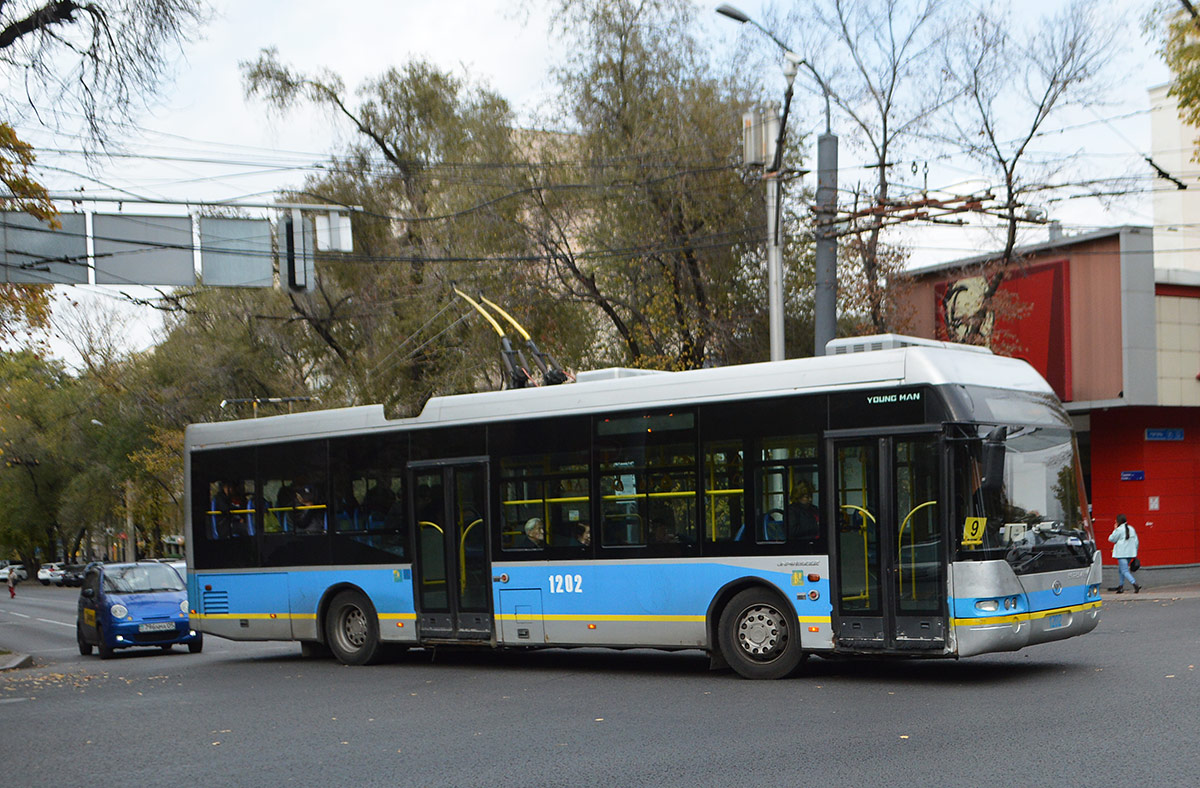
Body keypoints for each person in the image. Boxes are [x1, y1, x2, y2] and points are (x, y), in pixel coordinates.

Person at [1108, 514, 1141, 593]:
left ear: (1118, 521)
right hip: (1130, 553)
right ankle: (1121, 586)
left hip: (1121, 553)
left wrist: (1115, 529)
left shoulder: (1119, 530)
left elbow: (1111, 539)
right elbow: (1136, 542)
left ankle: (1135, 584)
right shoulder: (1131, 529)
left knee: (1124, 570)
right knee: (1121, 570)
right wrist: (1135, 551)